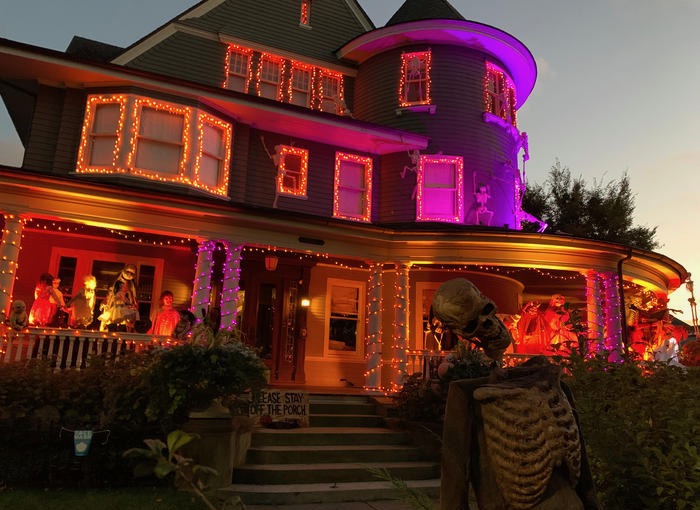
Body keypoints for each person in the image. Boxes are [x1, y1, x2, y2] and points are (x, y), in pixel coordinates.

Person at [99, 264, 139, 331]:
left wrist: (134, 305)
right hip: (115, 309)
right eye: (127, 271)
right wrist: (105, 301)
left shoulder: (132, 286)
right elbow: (110, 294)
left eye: (132, 273)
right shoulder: (115, 283)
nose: (129, 274)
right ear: (123, 271)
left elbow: (133, 298)